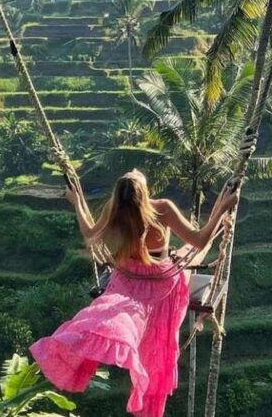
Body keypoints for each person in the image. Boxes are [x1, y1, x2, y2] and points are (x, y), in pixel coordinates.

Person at [29, 169, 239, 417]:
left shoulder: (114, 209)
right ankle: (218, 216)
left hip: (127, 280)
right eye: (136, 175)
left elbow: (89, 234)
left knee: (105, 316)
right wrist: (222, 205)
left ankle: (118, 339)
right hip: (161, 283)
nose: (134, 171)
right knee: (187, 255)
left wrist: (77, 202)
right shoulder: (162, 209)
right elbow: (200, 240)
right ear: (144, 192)